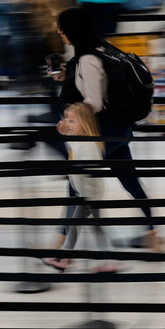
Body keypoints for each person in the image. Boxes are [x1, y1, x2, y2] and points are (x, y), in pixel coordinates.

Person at [53, 5, 161, 251]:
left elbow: (94, 101)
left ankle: (58, 249)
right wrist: (67, 75)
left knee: (75, 187)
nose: (60, 32)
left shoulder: (88, 59)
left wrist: (71, 118)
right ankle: (155, 236)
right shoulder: (102, 49)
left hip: (99, 134)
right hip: (118, 131)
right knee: (131, 182)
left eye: (63, 28)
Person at [41, 102, 118, 273]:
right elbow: (72, 144)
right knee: (95, 227)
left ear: (86, 124)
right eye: (66, 119)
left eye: (72, 121)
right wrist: (64, 131)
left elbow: (87, 166)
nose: (68, 124)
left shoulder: (89, 146)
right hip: (85, 192)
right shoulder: (81, 140)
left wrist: (71, 168)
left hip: (89, 194)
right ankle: (109, 260)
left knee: (75, 225)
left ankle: (64, 258)